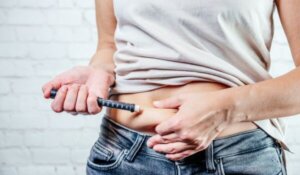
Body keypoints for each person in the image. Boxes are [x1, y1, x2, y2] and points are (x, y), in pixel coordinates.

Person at [42, 0, 299, 174]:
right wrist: (98, 72)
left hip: (235, 157)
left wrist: (225, 109)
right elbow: (108, 47)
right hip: (121, 155)